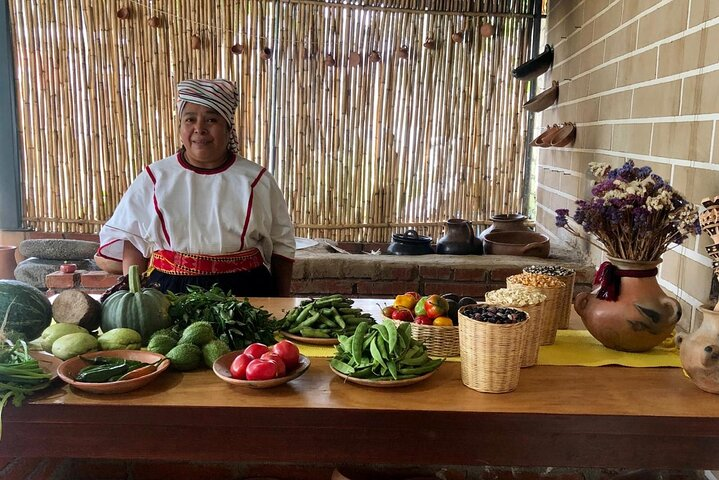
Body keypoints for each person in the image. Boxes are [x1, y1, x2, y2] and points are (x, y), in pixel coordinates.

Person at [95, 78, 295, 296]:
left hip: (245, 291)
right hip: (167, 292)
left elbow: (281, 246)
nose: (199, 128)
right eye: (190, 119)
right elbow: (133, 241)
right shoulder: (154, 178)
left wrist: (282, 302)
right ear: (180, 127)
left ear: (229, 128)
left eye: (211, 120)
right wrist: (134, 299)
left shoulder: (256, 180)